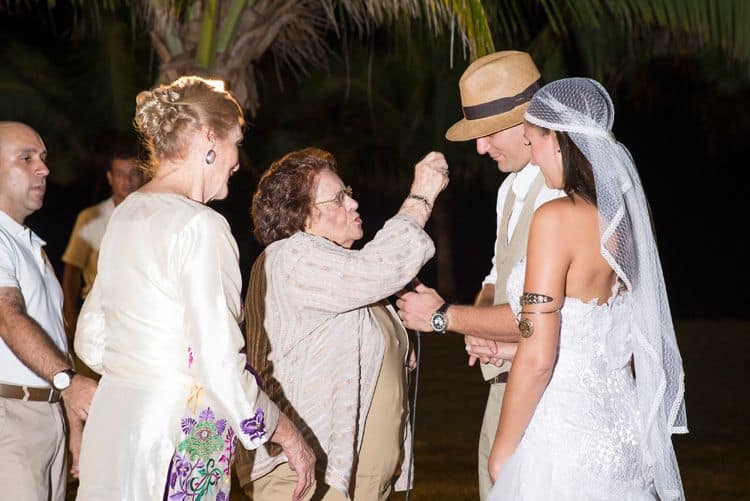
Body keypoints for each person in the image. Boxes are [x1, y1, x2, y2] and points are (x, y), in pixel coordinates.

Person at [73, 76, 315, 501]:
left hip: (112, 431)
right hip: (171, 438)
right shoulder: (201, 226)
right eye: (236, 141)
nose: (238, 161)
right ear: (210, 139)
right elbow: (219, 365)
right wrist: (287, 433)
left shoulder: (125, 216)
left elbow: (90, 340)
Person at [486, 77, 687, 500]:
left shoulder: (555, 218)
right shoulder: (626, 221)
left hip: (565, 437)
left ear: (556, 140)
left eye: (533, 141)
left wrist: (501, 451)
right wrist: (507, 349)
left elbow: (539, 357)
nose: (535, 159)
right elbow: (606, 332)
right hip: (624, 433)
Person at [235, 147, 448, 500]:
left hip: (355, 479)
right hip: (304, 478)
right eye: (338, 199)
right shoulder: (290, 257)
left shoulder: (339, 273)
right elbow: (380, 268)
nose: (353, 204)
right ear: (301, 218)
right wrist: (421, 196)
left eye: (347, 193)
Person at [395, 50, 563, 499]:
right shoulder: (510, 188)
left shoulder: (559, 198)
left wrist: (444, 316)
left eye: (487, 134)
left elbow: (537, 316)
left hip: (548, 391)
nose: (480, 148)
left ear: (527, 124)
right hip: (504, 382)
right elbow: (497, 274)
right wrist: (481, 321)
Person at [0, 121, 97, 500]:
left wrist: (70, 417)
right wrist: (68, 383)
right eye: (26, 158)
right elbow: (7, 317)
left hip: (46, 413)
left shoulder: (27, 244)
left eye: (42, 158)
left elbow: (53, 334)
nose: (43, 168)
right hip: (11, 417)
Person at [62, 144, 144, 342]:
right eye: (120, 174)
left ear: (144, 176)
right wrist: (70, 317)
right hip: (99, 316)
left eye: (134, 173)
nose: (127, 181)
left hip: (140, 315)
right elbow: (72, 269)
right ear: (110, 177)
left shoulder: (153, 216)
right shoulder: (91, 218)